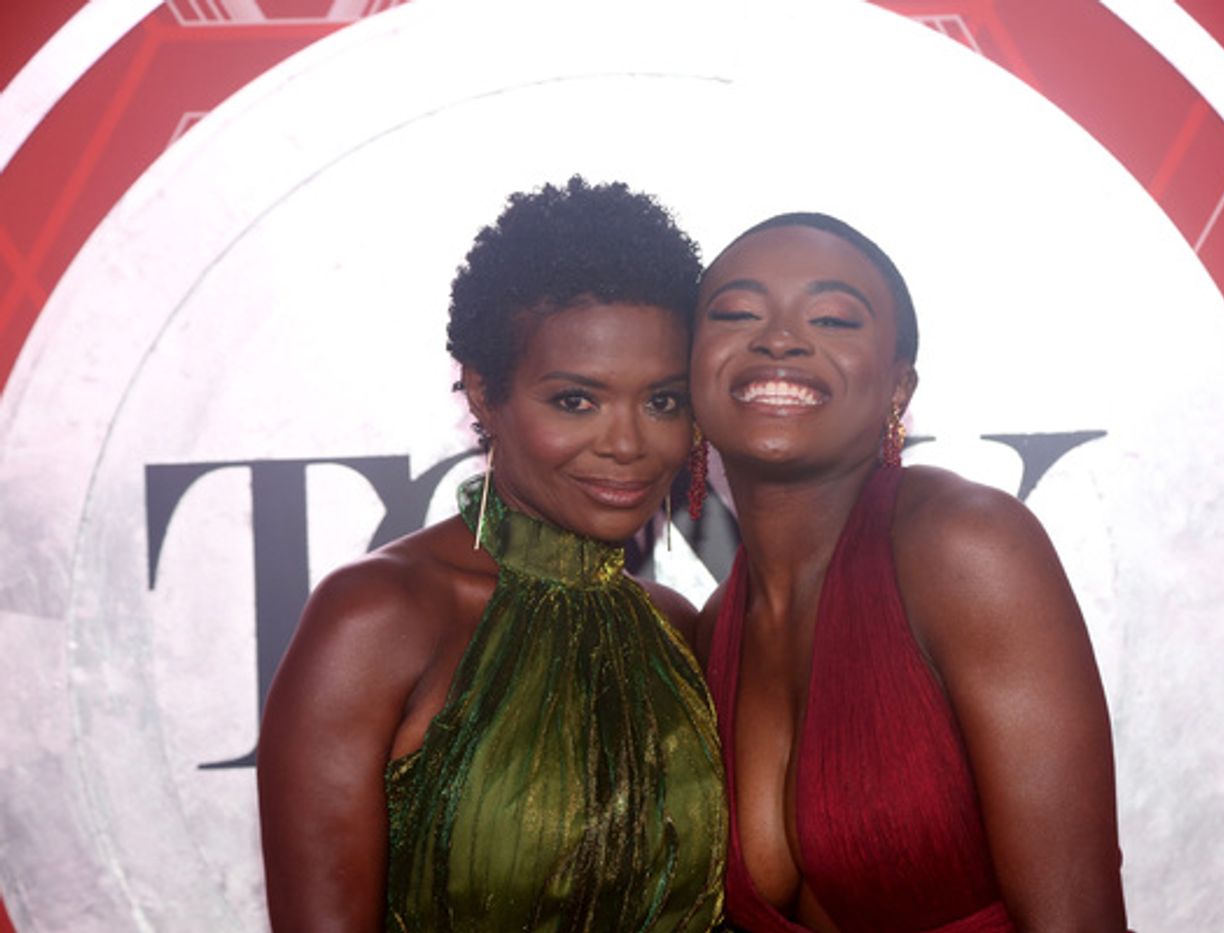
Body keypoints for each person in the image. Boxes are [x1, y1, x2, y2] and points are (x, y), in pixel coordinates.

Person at [257, 177, 726, 932]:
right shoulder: (381, 615)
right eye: (577, 399)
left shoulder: (677, 630)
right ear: (483, 392)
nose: (629, 443)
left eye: (664, 400)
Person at [688, 213, 1127, 933]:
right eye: (736, 312)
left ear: (898, 388)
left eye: (832, 318)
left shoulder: (964, 547)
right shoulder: (709, 634)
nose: (779, 338)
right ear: (692, 368)